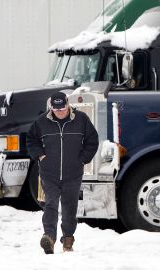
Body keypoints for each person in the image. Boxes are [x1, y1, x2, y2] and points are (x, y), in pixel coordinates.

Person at [27, 92, 99, 254]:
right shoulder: (42, 121)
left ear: (68, 104)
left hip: (73, 173)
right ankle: (49, 238)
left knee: (69, 208)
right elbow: (31, 139)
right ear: (51, 107)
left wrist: (83, 159)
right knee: (50, 204)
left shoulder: (81, 119)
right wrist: (40, 155)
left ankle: (68, 238)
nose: (60, 112)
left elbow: (92, 139)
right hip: (48, 173)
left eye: (62, 108)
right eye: (56, 109)